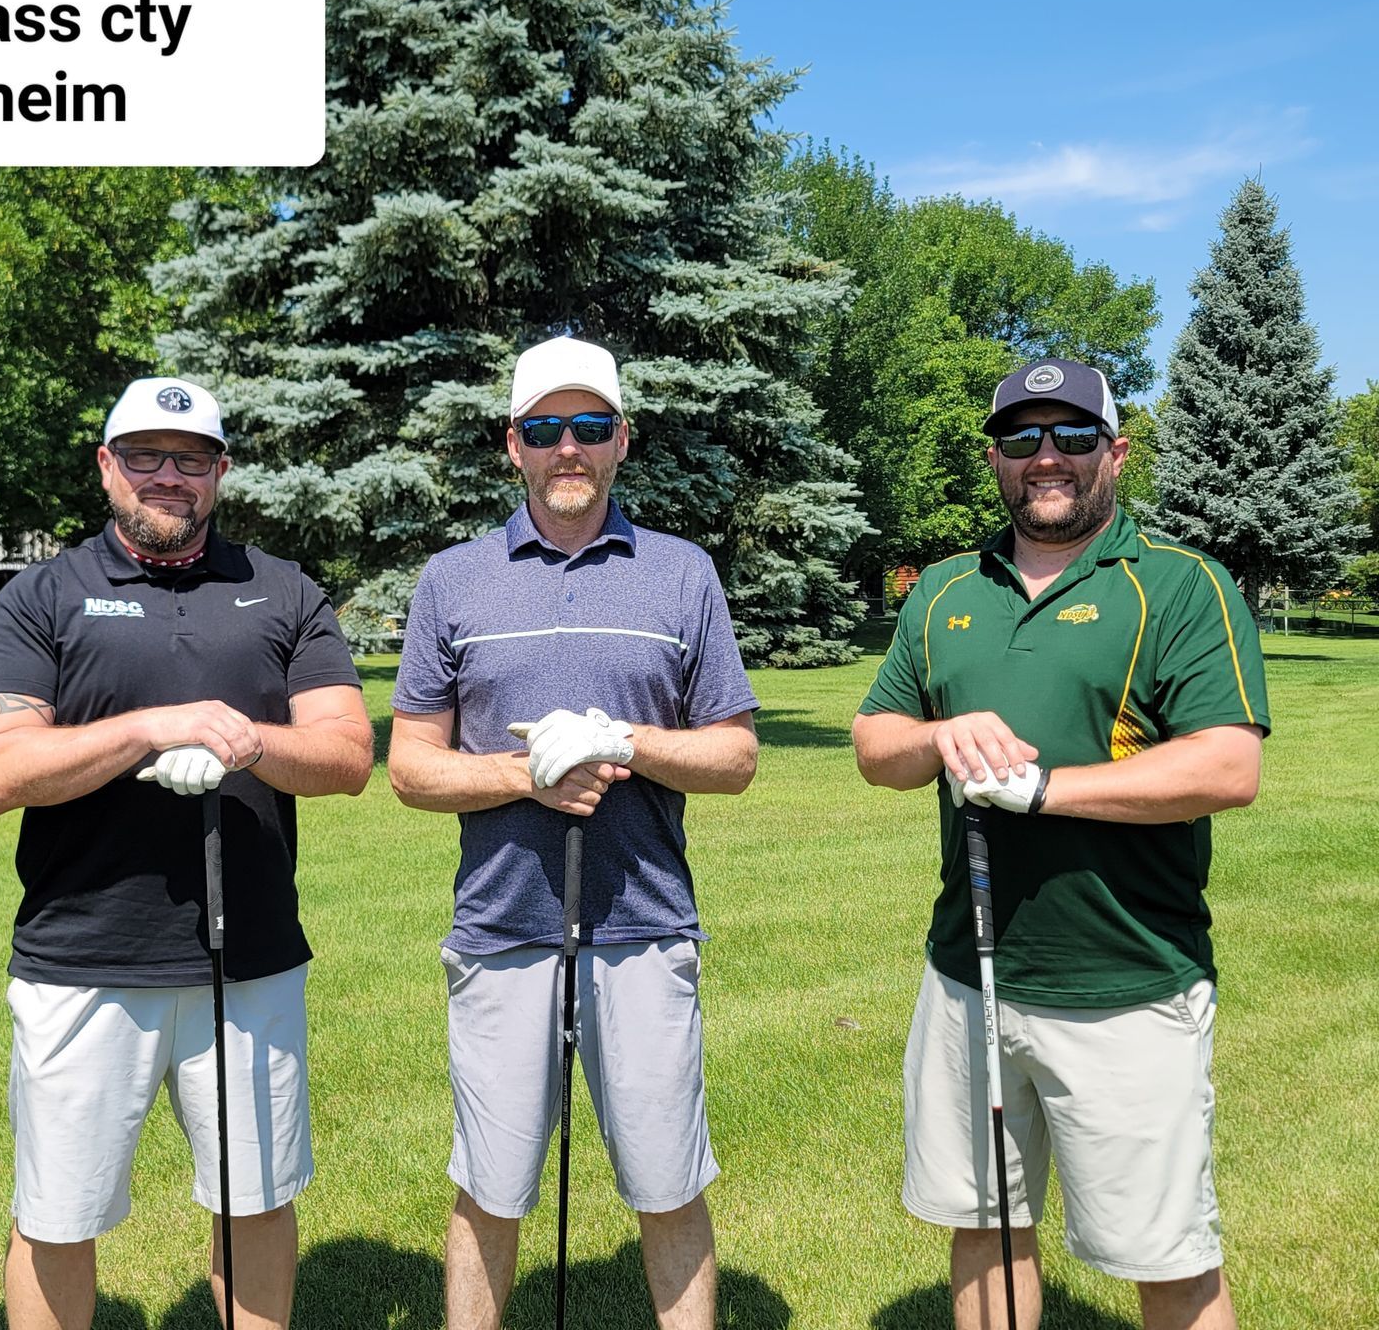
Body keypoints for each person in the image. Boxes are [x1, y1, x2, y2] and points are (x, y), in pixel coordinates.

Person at [852, 358, 1268, 1330]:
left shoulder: (1178, 586)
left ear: (1115, 453)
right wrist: (935, 738)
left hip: (1127, 984)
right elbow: (877, 743)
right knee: (986, 1227)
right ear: (995, 458)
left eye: (1073, 437)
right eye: (1023, 439)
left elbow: (1225, 767)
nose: (1048, 458)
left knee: (1166, 1255)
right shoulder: (947, 590)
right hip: (969, 975)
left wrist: (1044, 790)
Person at [0, 375, 373, 1330]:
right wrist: (156, 727)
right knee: (58, 1212)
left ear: (221, 473)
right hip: (82, 956)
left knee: (256, 1200)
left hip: (253, 956)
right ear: (108, 466)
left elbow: (350, 754)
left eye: (191, 460)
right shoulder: (44, 595)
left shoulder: (282, 590)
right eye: (145, 456)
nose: (168, 477)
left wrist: (244, 739)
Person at [385, 336, 759, 1330]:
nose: (569, 448)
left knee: (667, 1182)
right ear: (513, 445)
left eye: (590, 427)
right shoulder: (453, 580)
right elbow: (411, 769)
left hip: (643, 925)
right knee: (492, 1189)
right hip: (502, 930)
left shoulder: (680, 575)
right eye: (546, 428)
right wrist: (526, 776)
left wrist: (625, 741)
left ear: (622, 441)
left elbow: (734, 756)